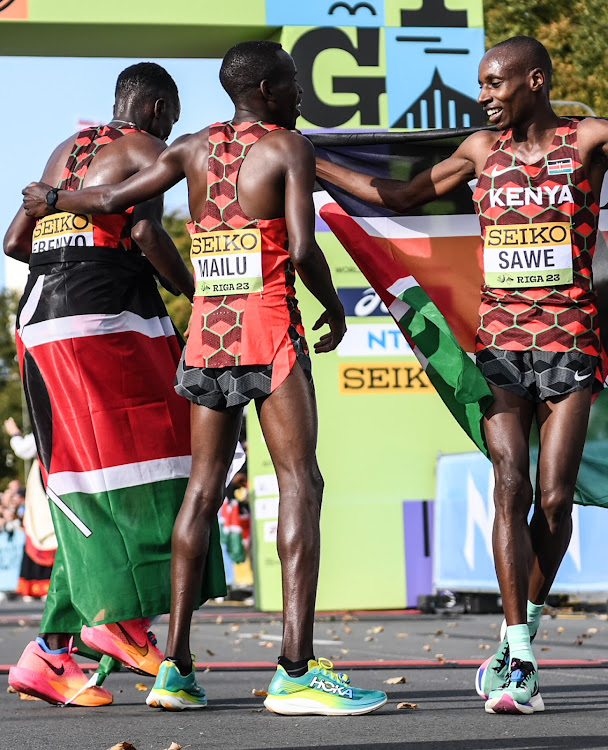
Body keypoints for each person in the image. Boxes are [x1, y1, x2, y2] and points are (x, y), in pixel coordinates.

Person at [315, 35, 608, 714]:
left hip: (573, 341)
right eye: (481, 84)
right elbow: (399, 196)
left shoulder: (588, 139)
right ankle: (519, 652)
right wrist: (316, 164)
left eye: (494, 84)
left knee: (553, 500)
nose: (482, 96)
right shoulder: (480, 153)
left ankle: (526, 625)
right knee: (508, 482)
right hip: (500, 348)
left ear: (535, 81)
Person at [20, 40, 388, 716]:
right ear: (271, 89)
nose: (301, 97)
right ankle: (296, 670)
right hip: (268, 328)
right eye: (295, 85)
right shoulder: (287, 147)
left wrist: (52, 196)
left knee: (200, 488)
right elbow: (303, 249)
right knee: (301, 482)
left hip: (207, 338)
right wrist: (333, 308)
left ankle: (176, 671)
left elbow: (112, 197)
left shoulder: (189, 146)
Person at [5, 62, 227, 707]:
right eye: (175, 111)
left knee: (86, 478)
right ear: (157, 106)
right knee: (166, 467)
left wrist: (67, 241)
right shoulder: (147, 150)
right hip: (103, 320)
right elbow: (145, 231)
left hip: (42, 319)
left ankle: (57, 649)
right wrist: (196, 292)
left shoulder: (62, 152)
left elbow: (15, 241)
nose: (175, 124)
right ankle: (113, 628)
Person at [4, 417, 57, 599]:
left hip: (47, 486)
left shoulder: (48, 423)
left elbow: (24, 448)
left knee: (42, 530)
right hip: (56, 482)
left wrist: (14, 433)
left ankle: (49, 586)